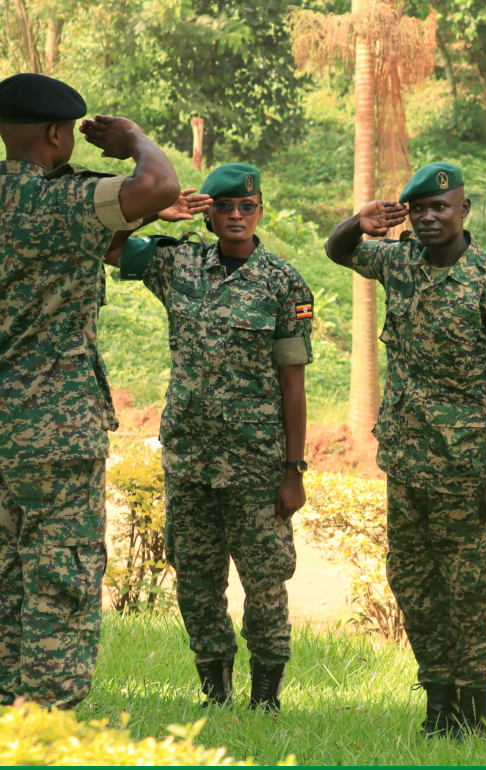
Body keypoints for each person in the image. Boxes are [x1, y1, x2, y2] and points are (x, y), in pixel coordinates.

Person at [324, 162, 486, 739]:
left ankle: (475, 713)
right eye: (419, 209)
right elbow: (337, 251)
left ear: (464, 211)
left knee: (470, 590)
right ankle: (437, 701)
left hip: (465, 472)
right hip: (406, 465)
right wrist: (358, 221)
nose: (429, 217)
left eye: (441, 207)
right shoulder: (400, 260)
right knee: (413, 584)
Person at [102, 164, 314, 713]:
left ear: (260, 210)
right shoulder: (177, 262)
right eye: (223, 207)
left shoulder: (283, 283)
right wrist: (154, 211)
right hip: (190, 458)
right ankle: (215, 694)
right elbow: (105, 245)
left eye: (246, 206)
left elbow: (293, 382)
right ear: (208, 212)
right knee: (196, 583)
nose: (236, 216)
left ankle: (266, 699)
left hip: (256, 463)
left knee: (265, 582)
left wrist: (294, 471)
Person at [0, 73, 179, 708]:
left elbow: (105, 236)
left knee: (6, 587)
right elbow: (158, 184)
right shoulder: (56, 203)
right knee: (59, 587)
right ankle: (47, 736)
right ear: (56, 133)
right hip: (50, 434)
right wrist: (134, 139)